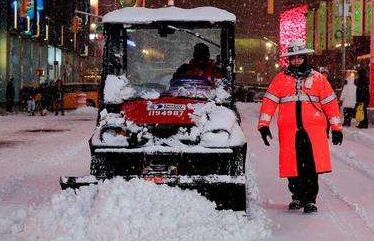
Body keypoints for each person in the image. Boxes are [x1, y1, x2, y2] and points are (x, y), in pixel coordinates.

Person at [257, 39, 343, 214]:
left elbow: (331, 104)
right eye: (293, 58)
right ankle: (297, 196)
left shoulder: (319, 79)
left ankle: (310, 200)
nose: (296, 61)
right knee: (292, 164)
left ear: (305, 58)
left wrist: (336, 129)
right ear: (289, 60)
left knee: (311, 166)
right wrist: (263, 125)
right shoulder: (280, 79)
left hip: (313, 132)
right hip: (289, 131)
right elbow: (269, 102)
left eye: (299, 58)